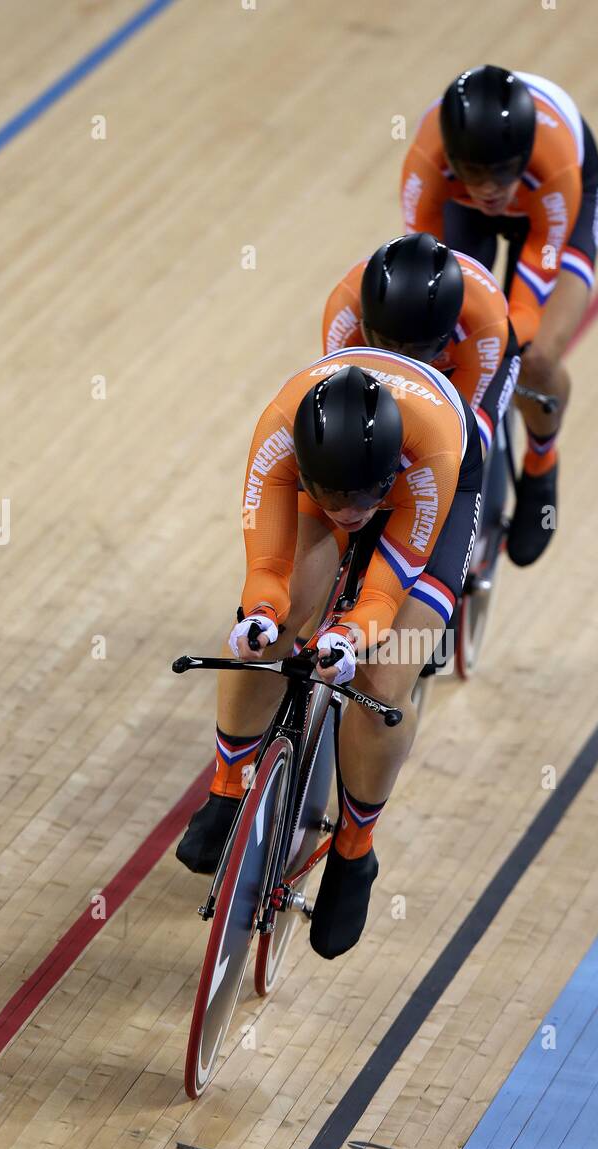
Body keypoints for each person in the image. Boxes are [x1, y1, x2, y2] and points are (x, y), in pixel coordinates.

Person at [176, 357, 481, 959]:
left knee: (384, 682)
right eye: (333, 498)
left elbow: (384, 594)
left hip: (435, 488)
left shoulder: (429, 457)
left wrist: (349, 636)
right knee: (277, 626)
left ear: (386, 472)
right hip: (338, 463)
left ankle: (355, 850)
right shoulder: (280, 436)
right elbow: (265, 571)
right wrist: (261, 616)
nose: (351, 513)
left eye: (365, 498)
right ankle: (228, 785)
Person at [401, 65, 598, 566]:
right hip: (461, 210)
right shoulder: (426, 163)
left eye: (501, 175)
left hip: (555, 211)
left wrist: (500, 347)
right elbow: (421, 267)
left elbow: (528, 296)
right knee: (432, 328)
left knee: (535, 357)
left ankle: (542, 463)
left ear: (522, 158)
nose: (491, 190)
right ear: (453, 159)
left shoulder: (554, 164)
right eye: (476, 175)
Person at [323, 231, 519, 458]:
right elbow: (341, 401)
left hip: (468, 361)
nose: (400, 359)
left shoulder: (483, 321)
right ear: (364, 323)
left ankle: (540, 466)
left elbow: (455, 432)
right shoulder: (345, 310)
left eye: (417, 348)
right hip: (437, 355)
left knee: (461, 456)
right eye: (387, 342)